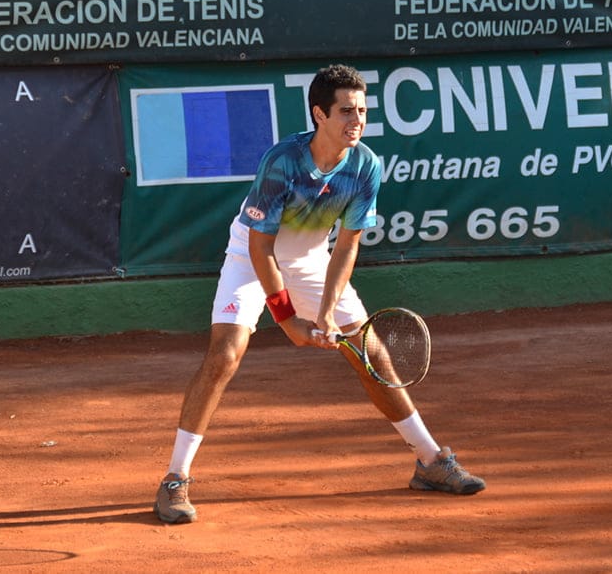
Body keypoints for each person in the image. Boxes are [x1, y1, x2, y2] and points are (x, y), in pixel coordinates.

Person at [154, 64, 485, 524]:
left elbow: (347, 244)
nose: (358, 121)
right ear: (319, 114)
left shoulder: (365, 165)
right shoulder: (282, 161)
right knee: (225, 354)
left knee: (373, 355)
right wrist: (288, 320)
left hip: (313, 260)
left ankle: (431, 462)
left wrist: (327, 312)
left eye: (363, 111)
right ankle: (175, 479)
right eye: (347, 111)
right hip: (250, 258)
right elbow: (260, 246)